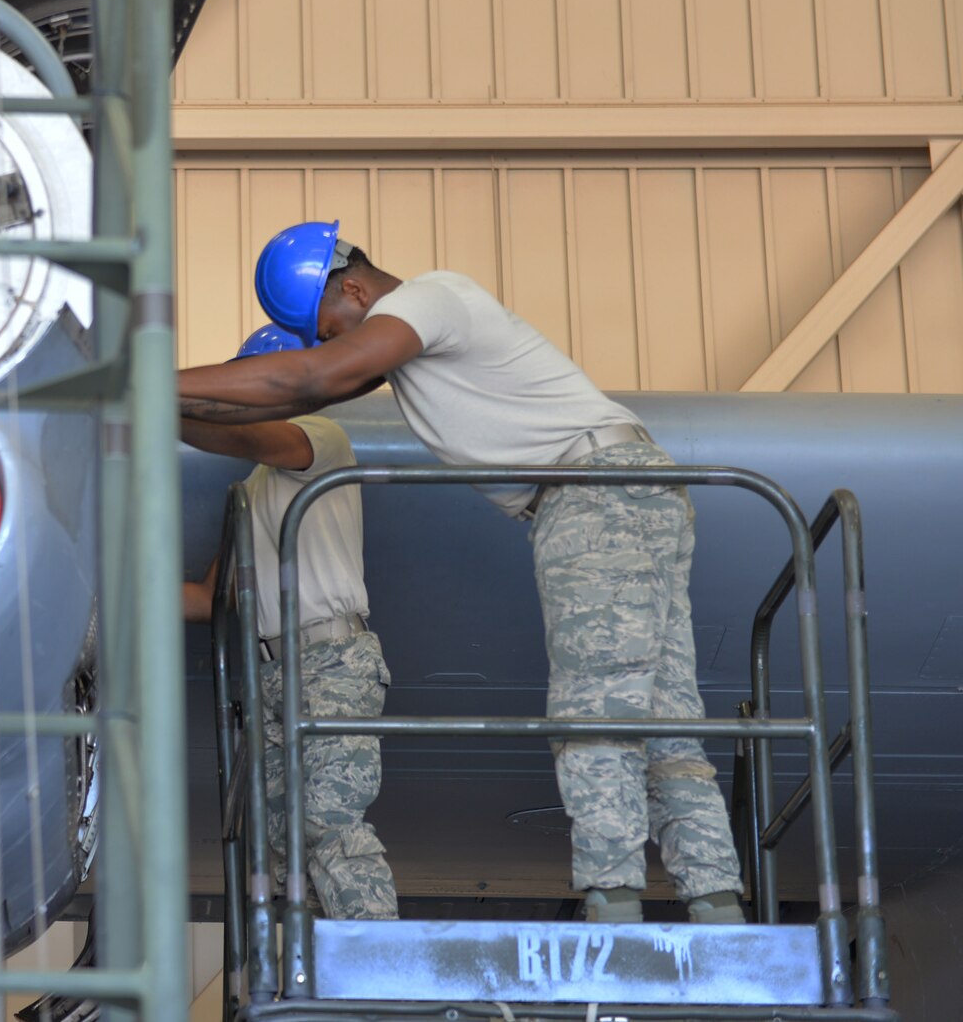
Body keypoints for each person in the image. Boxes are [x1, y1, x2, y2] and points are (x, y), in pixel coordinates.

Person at [177, 222, 745, 926]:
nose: (329, 348)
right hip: (622, 487)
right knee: (664, 719)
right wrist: (158, 406)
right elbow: (291, 395)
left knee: (595, 711)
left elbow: (307, 378)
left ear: (354, 287)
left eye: (328, 329)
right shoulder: (412, 348)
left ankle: (613, 909)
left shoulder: (430, 298)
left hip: (592, 490)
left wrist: (139, 381)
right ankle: (717, 902)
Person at [184, 322, 398, 920]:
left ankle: (378, 974)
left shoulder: (318, 439)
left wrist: (155, 408)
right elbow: (209, 598)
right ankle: (323, 982)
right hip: (272, 676)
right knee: (283, 843)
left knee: (328, 822)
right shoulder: (252, 490)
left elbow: (250, 436)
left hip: (329, 661)